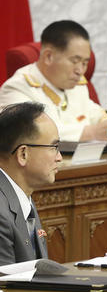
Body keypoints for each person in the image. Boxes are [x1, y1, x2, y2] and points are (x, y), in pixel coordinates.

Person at [0, 20, 107, 141]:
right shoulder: (17, 87)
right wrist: (90, 133)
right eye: (75, 61)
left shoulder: (77, 84)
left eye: (85, 63)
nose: (80, 71)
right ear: (48, 57)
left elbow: (95, 112)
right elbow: (31, 133)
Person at [0, 102, 61, 265]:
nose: (59, 157)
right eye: (54, 147)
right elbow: (5, 284)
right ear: (23, 154)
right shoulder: (1, 211)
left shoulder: (20, 194)